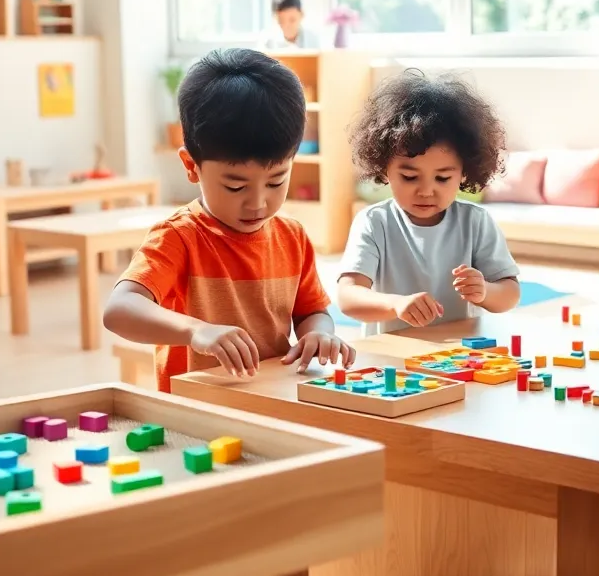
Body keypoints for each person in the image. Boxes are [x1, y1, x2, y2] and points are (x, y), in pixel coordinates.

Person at [103, 48, 355, 394]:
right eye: (235, 185)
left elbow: (312, 310)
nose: (258, 202)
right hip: (199, 411)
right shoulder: (178, 237)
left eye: (276, 180)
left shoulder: (292, 236)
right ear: (192, 166)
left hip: (275, 402)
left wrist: (320, 333)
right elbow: (119, 310)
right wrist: (195, 331)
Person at [337, 70, 520, 335]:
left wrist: (485, 291)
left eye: (443, 178)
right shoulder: (374, 222)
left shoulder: (475, 222)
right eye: (410, 177)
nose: (426, 191)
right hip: (392, 357)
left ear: (464, 172)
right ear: (384, 168)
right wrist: (395, 304)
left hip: (458, 354)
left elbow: (510, 294)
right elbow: (348, 297)